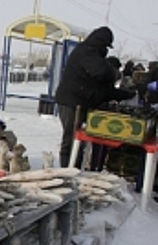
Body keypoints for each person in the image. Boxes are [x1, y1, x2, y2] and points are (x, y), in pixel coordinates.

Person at [54, 26, 134, 168]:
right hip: (72, 102)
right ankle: (66, 172)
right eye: (106, 46)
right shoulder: (87, 52)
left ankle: (75, 168)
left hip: (78, 100)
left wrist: (123, 94)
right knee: (71, 139)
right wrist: (115, 74)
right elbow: (101, 72)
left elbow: (100, 87)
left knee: (77, 140)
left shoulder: (90, 53)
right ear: (101, 42)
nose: (106, 50)